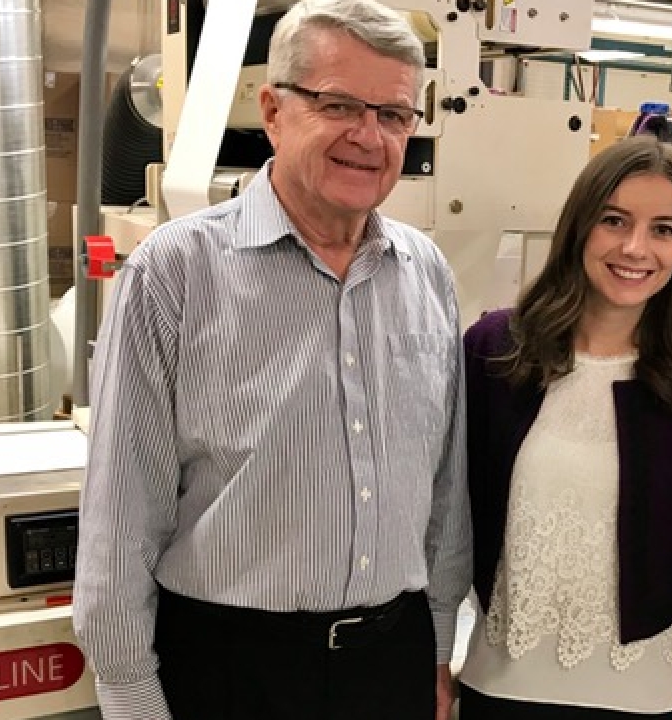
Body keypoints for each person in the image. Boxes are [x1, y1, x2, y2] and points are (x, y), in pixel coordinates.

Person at [72, 1, 471, 718]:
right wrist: (131, 695)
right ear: (274, 109)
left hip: (392, 658)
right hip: (232, 669)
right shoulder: (176, 272)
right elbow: (121, 517)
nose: (369, 136)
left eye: (394, 115)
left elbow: (444, 489)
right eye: (339, 104)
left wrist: (437, 648)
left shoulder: (427, 273)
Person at [459, 136, 672, 720]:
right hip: (503, 686)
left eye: (664, 229)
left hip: (645, 693)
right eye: (615, 220)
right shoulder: (495, 353)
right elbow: (448, 514)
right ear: (580, 226)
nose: (637, 248)